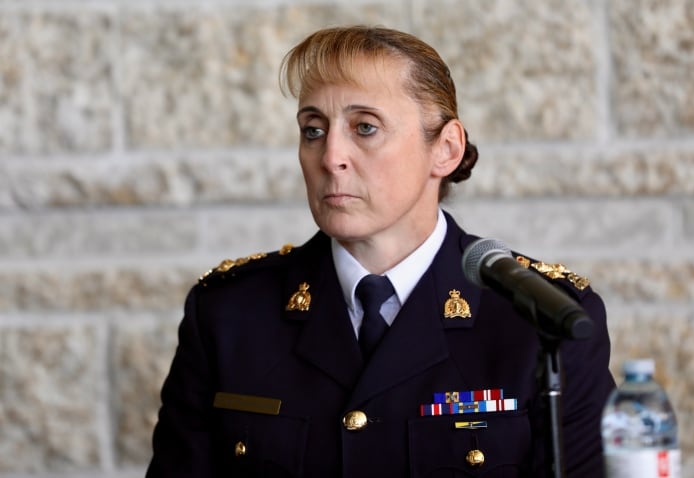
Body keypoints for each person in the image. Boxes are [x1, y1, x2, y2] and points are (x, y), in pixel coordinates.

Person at [147, 25, 615, 477]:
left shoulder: (542, 319)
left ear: (446, 150)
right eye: (313, 130)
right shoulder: (229, 315)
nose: (331, 156)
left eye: (365, 127)